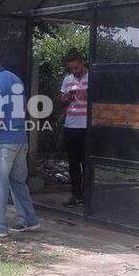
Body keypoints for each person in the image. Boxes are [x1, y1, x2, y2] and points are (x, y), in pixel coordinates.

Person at [0, 46, 40, 238]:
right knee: (18, 182)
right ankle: (30, 220)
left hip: (1, 141)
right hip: (20, 139)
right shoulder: (14, 78)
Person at [59, 48, 89, 208]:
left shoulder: (92, 77)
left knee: (87, 161)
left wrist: (87, 95)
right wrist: (67, 97)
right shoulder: (68, 79)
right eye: (71, 68)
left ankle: (88, 194)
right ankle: (76, 194)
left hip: (86, 125)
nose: (74, 71)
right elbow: (61, 100)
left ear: (82, 63)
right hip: (71, 124)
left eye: (76, 68)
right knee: (73, 162)